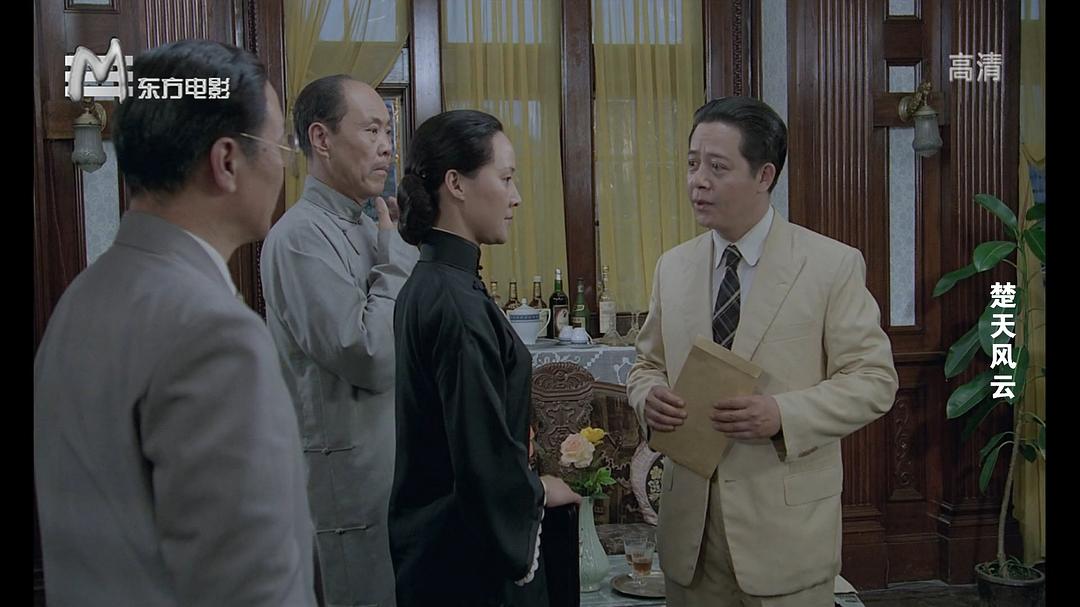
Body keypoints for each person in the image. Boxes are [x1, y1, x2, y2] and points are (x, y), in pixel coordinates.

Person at [33, 39, 316, 607]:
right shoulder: (212, 331)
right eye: (278, 144)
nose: (284, 163)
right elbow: (249, 585)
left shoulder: (81, 297)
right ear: (227, 161)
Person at [627, 96, 899, 606]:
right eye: (692, 163)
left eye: (717, 167)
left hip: (786, 535)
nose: (698, 181)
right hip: (690, 538)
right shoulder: (674, 267)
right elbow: (647, 365)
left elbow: (874, 380)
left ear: (764, 175)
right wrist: (648, 397)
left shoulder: (829, 265)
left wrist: (781, 414)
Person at [388, 109, 581, 607]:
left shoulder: (433, 282)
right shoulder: (455, 302)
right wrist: (539, 491)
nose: (516, 197)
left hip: (436, 543)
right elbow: (479, 449)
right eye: (506, 178)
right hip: (464, 557)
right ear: (456, 183)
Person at [260, 74, 419, 607]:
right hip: (348, 480)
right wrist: (395, 259)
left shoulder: (372, 224)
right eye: (371, 130)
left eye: (388, 132)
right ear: (321, 138)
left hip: (393, 471)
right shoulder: (299, 236)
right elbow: (369, 356)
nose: (386, 147)